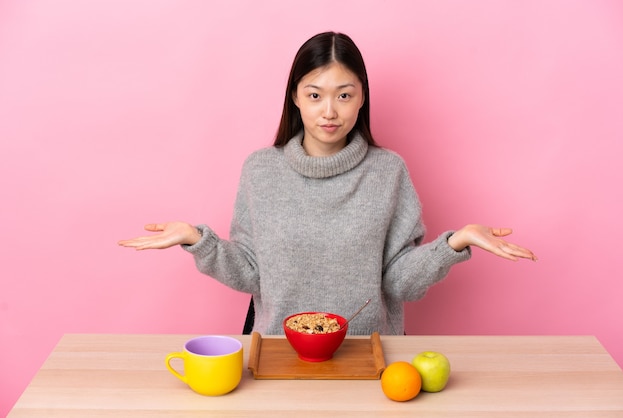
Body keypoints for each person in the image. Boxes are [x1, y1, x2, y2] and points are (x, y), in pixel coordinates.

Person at [118, 32, 537, 336]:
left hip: (371, 358)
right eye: (315, 95)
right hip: (279, 355)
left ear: (362, 97)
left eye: (345, 94)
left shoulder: (387, 172)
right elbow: (251, 272)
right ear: (296, 98)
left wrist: (455, 243)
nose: (329, 111)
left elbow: (399, 282)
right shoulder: (261, 170)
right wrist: (197, 239)